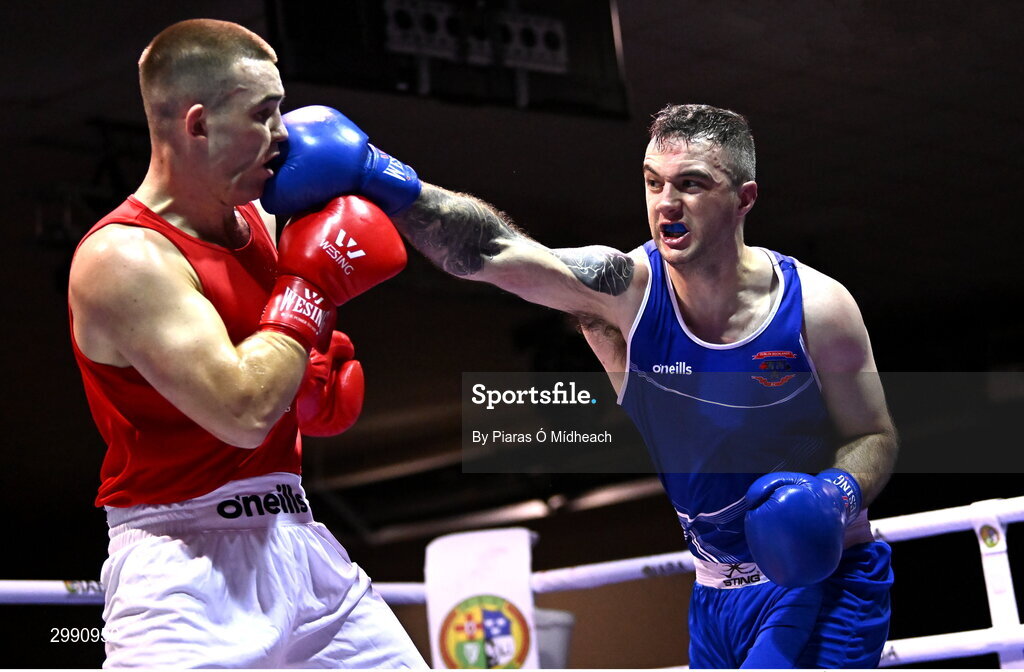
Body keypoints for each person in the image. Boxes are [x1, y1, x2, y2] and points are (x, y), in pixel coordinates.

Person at [262, 103, 898, 668]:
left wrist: (834, 496)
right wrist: (383, 177)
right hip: (715, 596)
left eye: (692, 185)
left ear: (745, 198)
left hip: (828, 578)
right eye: (654, 184)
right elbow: (494, 252)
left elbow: (874, 434)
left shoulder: (816, 307)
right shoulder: (623, 293)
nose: (666, 205)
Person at [67, 19, 426, 668]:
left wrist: (307, 382)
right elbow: (240, 412)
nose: (283, 132)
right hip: (185, 568)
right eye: (263, 113)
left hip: (298, 539)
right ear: (197, 124)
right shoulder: (124, 257)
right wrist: (310, 290)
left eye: (281, 108)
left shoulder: (264, 222)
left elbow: (271, 376)